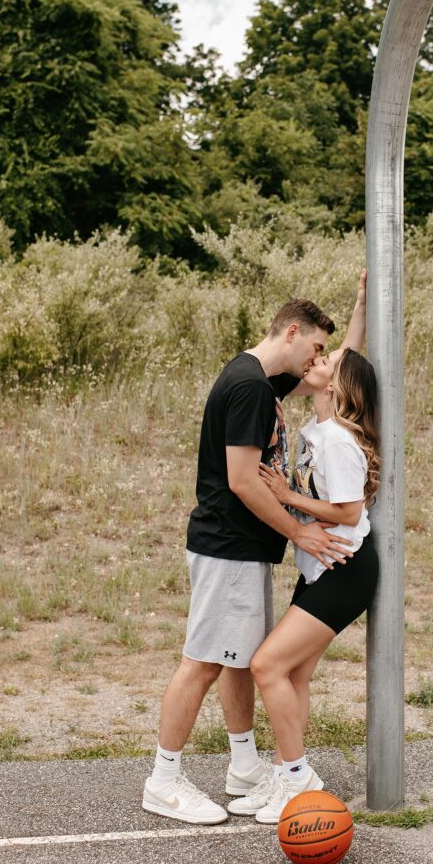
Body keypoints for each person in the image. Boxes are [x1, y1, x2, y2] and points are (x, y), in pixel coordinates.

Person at [142, 275, 367, 825]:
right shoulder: (248, 387)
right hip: (228, 547)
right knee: (201, 662)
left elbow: (344, 363)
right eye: (314, 346)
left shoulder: (264, 382)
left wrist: (361, 304)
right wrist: (300, 531)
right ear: (292, 332)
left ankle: (244, 765)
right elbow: (244, 481)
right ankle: (163, 780)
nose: (320, 357)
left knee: (237, 660)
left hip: (243, 550)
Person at [226, 346, 380, 824]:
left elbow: (350, 512)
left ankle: (297, 776)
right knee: (292, 677)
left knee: (266, 665)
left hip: (345, 567)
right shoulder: (319, 430)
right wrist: (359, 306)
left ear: (335, 385)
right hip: (320, 567)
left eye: (325, 362)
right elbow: (341, 361)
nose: (315, 361)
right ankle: (282, 773)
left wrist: (288, 496)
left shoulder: (336, 440)